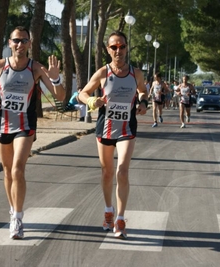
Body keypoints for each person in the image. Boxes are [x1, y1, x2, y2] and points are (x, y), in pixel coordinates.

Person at [0, 26, 65, 239]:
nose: (20, 45)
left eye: (24, 41)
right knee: (7, 172)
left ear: (29, 44)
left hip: (25, 126)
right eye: (16, 41)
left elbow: (60, 97)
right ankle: (12, 210)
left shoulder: (35, 68)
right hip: (4, 124)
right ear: (9, 43)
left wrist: (56, 79)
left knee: (17, 169)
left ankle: (17, 217)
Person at [78, 31, 148, 239]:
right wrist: (91, 102)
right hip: (105, 127)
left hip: (127, 128)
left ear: (127, 48)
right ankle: (108, 211)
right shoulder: (102, 73)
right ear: (108, 50)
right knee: (107, 172)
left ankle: (120, 219)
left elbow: (143, 91)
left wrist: (143, 103)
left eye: (122, 47)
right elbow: (83, 93)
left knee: (122, 171)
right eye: (114, 47)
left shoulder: (136, 73)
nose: (118, 50)